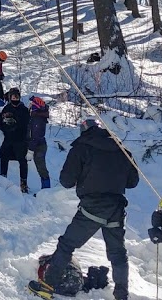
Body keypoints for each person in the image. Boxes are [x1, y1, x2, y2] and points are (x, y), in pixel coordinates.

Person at [39, 117, 138, 300]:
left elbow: (66, 181)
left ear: (84, 131)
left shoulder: (82, 147)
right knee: (118, 253)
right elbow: (133, 182)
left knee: (67, 244)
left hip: (92, 207)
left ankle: (47, 285)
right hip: (116, 208)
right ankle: (121, 295)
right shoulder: (122, 149)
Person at [0, 88, 30, 193]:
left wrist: (15, 124)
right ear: (10, 98)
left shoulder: (23, 109)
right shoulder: (7, 108)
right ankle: (3, 180)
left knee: (22, 162)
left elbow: (26, 123)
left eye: (17, 97)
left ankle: (23, 184)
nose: (15, 98)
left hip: (20, 140)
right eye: (13, 97)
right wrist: (7, 127)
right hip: (8, 139)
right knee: (3, 158)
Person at [27, 96, 51, 190]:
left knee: (41, 168)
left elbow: (35, 136)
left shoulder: (38, 118)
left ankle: (46, 189)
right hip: (34, 144)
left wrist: (30, 150)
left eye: (32, 104)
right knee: (40, 168)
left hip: (39, 146)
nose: (30, 106)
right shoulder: (34, 116)